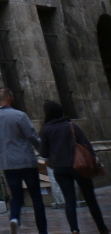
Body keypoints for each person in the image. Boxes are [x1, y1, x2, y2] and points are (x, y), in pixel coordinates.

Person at [39, 100, 108, 234]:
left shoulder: (46, 130)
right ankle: (102, 228)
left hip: (60, 168)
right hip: (79, 166)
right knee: (90, 198)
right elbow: (86, 144)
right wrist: (94, 161)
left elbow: (44, 153)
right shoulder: (71, 125)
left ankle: (74, 229)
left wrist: (52, 161)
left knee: (69, 200)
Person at [0, 87, 48, 234]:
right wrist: (43, 151)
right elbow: (32, 136)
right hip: (26, 160)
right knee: (36, 197)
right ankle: (43, 231)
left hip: (8, 163)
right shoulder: (19, 115)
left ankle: (14, 218)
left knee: (16, 195)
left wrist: (2, 144)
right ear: (10, 98)